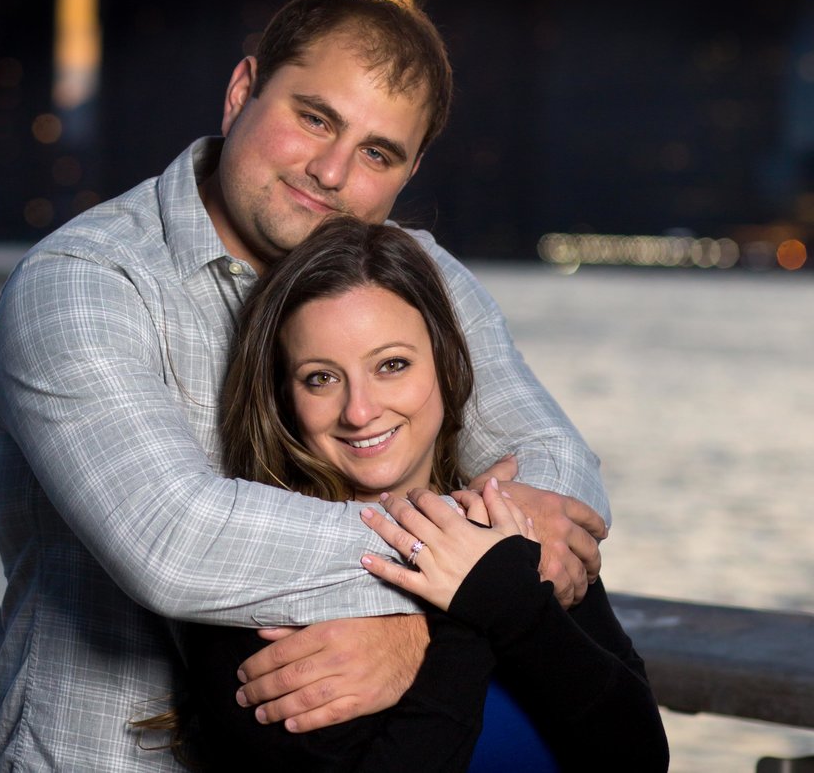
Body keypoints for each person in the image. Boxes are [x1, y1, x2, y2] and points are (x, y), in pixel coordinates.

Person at [0, 0, 611, 773]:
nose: (331, 170)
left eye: (378, 154)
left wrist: (425, 630)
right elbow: (177, 542)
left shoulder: (419, 279)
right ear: (243, 91)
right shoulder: (83, 282)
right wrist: (472, 592)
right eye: (315, 118)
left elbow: (563, 480)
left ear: (409, 173)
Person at [172, 214, 668, 772]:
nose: (359, 411)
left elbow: (639, 757)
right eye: (321, 377)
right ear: (283, 398)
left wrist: (493, 592)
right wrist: (473, 611)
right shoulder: (257, 593)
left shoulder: (516, 530)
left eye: (392, 365)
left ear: (448, 365)